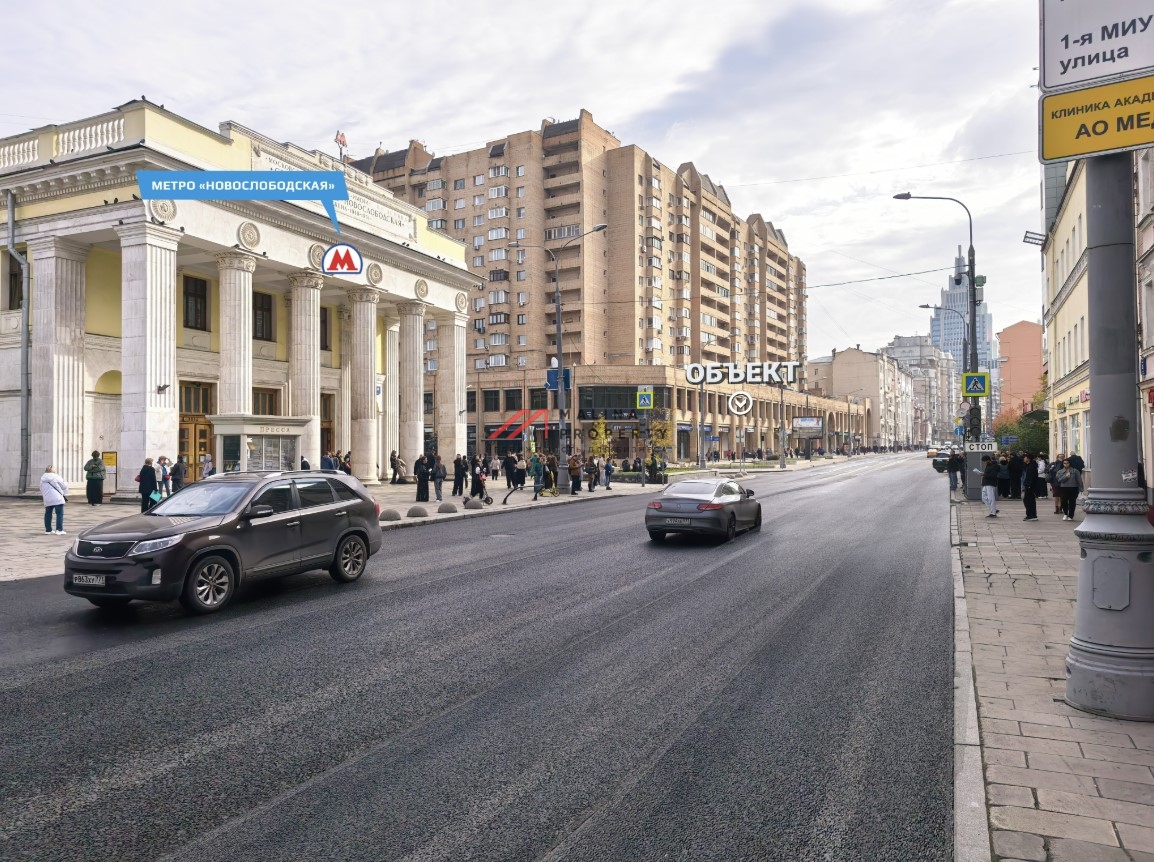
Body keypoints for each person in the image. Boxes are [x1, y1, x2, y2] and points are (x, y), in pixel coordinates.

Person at [40, 465, 68, 535]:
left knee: (48, 514)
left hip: (47, 498)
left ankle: (48, 530)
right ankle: (59, 530)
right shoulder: (56, 477)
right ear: (53, 470)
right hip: (57, 497)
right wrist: (66, 483)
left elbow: (41, 488)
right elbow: (63, 486)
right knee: (59, 514)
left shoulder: (42, 478)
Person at [1056, 457, 1084, 521]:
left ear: (1070, 463)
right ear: (1062, 464)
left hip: (1073, 488)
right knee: (1064, 501)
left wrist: (1081, 489)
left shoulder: (1075, 471)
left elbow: (1079, 480)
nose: (1066, 464)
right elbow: (1059, 480)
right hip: (1064, 488)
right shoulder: (1060, 471)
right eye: (1064, 463)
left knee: (1072, 502)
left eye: (1067, 463)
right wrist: (1066, 476)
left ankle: (1071, 515)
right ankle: (1065, 514)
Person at [1022, 452, 1039, 521]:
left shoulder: (1031, 467)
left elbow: (1031, 477)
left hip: (1030, 486)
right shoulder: (1029, 465)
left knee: (1028, 500)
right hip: (1029, 485)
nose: (1024, 458)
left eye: (1025, 457)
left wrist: (1029, 485)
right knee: (1029, 500)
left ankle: (1030, 515)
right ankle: (1032, 515)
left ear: (1028, 459)